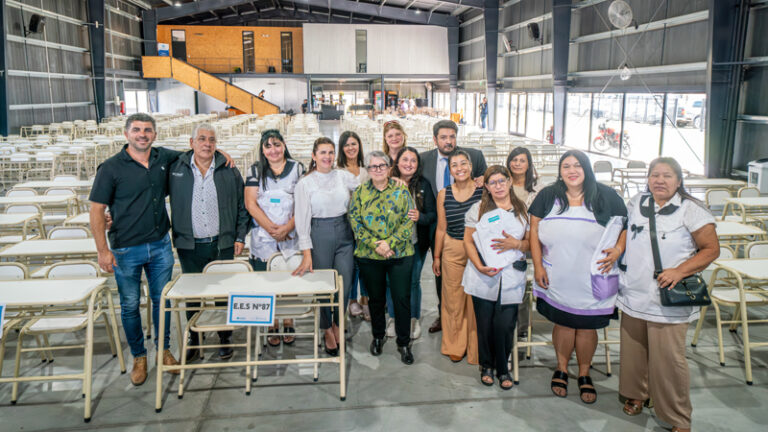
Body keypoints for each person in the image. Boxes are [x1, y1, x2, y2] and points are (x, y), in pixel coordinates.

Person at [618, 157, 719, 432]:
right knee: (633, 352)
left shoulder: (691, 209)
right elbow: (626, 231)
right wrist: (617, 250)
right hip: (634, 292)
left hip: (669, 296)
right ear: (647, 179)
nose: (660, 180)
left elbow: (711, 249)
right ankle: (637, 395)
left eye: (667, 176)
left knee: (669, 361)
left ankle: (677, 416)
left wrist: (680, 271)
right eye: (655, 175)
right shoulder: (637, 202)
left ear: (678, 180)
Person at [89, 113, 183, 385]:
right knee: (130, 306)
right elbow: (96, 210)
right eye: (137, 130)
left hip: (160, 244)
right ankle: (139, 357)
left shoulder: (163, 158)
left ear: (155, 134)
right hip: (126, 249)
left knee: (161, 300)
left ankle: (164, 351)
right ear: (126, 133)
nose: (143, 134)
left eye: (148, 130)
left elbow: (195, 151)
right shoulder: (110, 168)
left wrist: (219, 149)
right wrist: (102, 250)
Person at [528, 149, 627, 404]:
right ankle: (561, 367)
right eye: (566, 166)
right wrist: (538, 266)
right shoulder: (548, 195)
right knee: (562, 322)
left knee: (586, 325)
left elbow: (624, 226)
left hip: (593, 276)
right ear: (560, 172)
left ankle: (584, 372)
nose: (572, 171)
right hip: (557, 274)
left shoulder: (606, 195)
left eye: (577, 166)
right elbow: (534, 231)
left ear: (586, 169)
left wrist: (617, 249)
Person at [167, 124, 249, 362]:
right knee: (194, 293)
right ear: (191, 142)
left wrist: (239, 236)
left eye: (212, 140)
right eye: (201, 139)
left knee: (223, 292)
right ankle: (195, 336)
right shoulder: (176, 169)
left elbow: (242, 206)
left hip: (221, 243)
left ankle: (225, 336)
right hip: (189, 244)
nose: (207, 144)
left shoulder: (228, 169)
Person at [463, 166, 530, 389]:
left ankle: (503, 368)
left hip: (512, 275)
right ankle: (487, 365)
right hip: (484, 275)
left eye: (502, 181)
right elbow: (468, 241)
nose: (498, 186)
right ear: (487, 187)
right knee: (484, 323)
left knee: (505, 324)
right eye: (493, 182)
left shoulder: (523, 210)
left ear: (510, 182)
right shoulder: (478, 209)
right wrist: (480, 266)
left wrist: (517, 244)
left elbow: (532, 243)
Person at [420, 119, 487, 334]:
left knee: (475, 274)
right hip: (437, 224)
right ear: (435, 139)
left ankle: (473, 322)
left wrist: (483, 177)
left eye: (452, 137)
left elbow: (486, 178)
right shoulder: (424, 160)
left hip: (470, 228)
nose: (448, 141)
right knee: (444, 277)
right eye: (443, 137)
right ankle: (445, 315)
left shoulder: (473, 156)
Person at [349, 151, 416, 365]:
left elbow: (409, 220)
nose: (377, 170)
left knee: (401, 299)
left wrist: (390, 244)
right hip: (370, 255)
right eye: (372, 166)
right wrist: (376, 245)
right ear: (367, 170)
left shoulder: (401, 191)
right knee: (376, 299)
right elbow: (355, 222)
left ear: (389, 168)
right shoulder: (360, 193)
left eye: (381, 165)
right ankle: (378, 336)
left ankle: (403, 342)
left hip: (400, 254)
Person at [292, 137, 357, 356]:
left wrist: (392, 179)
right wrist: (306, 252)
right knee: (323, 285)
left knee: (345, 283)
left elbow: (367, 183)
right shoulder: (305, 183)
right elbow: (301, 220)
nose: (327, 157)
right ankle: (327, 328)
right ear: (314, 156)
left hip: (345, 231)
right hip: (319, 232)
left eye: (331, 152)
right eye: (323, 153)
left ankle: (339, 322)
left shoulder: (342, 176)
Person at [245, 129, 304, 346]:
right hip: (264, 236)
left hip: (291, 234)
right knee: (267, 280)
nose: (273, 150)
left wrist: (287, 228)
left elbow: (303, 202)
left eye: (277, 144)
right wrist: (272, 229)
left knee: (290, 278)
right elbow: (251, 203)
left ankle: (288, 319)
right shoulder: (254, 170)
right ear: (262, 149)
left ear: (284, 145)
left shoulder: (297, 168)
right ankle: (271, 323)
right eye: (268, 146)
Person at [432, 150, 484, 364]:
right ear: (450, 169)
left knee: (475, 299)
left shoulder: (483, 190)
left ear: (471, 167)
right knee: (453, 299)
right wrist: (436, 256)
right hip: (452, 249)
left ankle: (476, 346)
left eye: (464, 164)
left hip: (478, 250)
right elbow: (441, 228)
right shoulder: (445, 193)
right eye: (455, 165)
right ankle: (454, 344)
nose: (460, 168)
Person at [388, 147, 437, 339]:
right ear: (397, 162)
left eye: (413, 161)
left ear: (418, 165)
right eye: (405, 159)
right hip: (391, 243)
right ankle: (393, 317)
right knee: (391, 281)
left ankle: (412, 319)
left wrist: (420, 216)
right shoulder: (387, 182)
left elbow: (432, 215)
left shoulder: (423, 184)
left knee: (413, 281)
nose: (409, 164)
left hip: (416, 242)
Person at [505, 146, 540, 339]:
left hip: (528, 242)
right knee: (509, 284)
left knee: (523, 285)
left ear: (528, 164)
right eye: (514, 160)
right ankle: (507, 323)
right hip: (505, 242)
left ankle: (523, 327)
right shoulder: (502, 183)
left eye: (522, 160)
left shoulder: (536, 188)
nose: (517, 164)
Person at [337, 131, 370, 320]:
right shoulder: (338, 171)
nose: (351, 148)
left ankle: (365, 299)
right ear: (342, 148)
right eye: (347, 145)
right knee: (351, 264)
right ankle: (351, 300)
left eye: (354, 144)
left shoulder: (366, 170)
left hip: (367, 225)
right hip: (346, 224)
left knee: (365, 262)